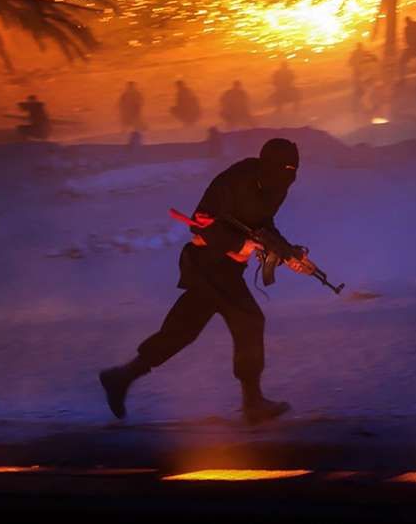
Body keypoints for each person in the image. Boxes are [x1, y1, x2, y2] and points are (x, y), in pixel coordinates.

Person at [99, 138, 316, 424]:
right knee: (249, 320)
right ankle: (252, 403)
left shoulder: (277, 188)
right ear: (267, 165)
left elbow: (263, 226)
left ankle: (121, 377)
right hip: (207, 264)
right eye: (283, 169)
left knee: (181, 331)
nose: (287, 177)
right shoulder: (234, 180)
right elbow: (200, 224)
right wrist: (244, 244)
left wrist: (288, 253)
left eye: (293, 170)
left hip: (227, 270)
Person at [348, 42, 378, 111]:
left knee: (359, 86)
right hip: (362, 72)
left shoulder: (354, 53)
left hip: (357, 72)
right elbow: (373, 57)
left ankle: (362, 104)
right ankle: (367, 106)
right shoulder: (364, 52)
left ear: (357, 46)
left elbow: (349, 62)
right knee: (366, 88)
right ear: (361, 46)